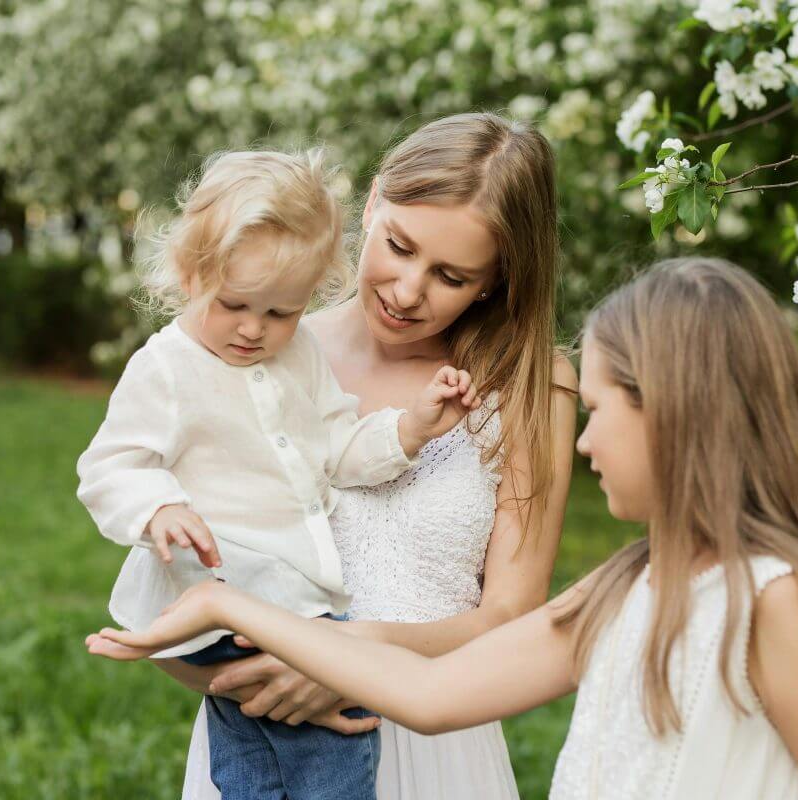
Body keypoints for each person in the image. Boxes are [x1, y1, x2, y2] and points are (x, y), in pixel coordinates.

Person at [91, 257, 798, 799]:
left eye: (600, 412)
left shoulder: (779, 604)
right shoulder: (629, 585)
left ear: (682, 416)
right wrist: (230, 608)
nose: (584, 440)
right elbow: (434, 694)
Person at [129, 113, 576, 799]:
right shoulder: (262, 355)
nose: (406, 292)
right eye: (398, 246)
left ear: (496, 280)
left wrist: (347, 657)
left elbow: (510, 617)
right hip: (270, 726)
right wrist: (257, 673)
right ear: (371, 204)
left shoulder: (531, 384)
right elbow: (185, 582)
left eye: (451, 276)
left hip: (436, 742)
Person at [76, 148, 478, 800]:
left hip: (281, 595)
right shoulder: (167, 367)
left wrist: (411, 429)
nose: (254, 330)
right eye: (235, 304)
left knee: (249, 763)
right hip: (228, 594)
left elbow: (340, 450)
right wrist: (157, 509)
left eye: (281, 312)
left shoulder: (300, 356)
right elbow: (112, 464)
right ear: (189, 272)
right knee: (338, 743)